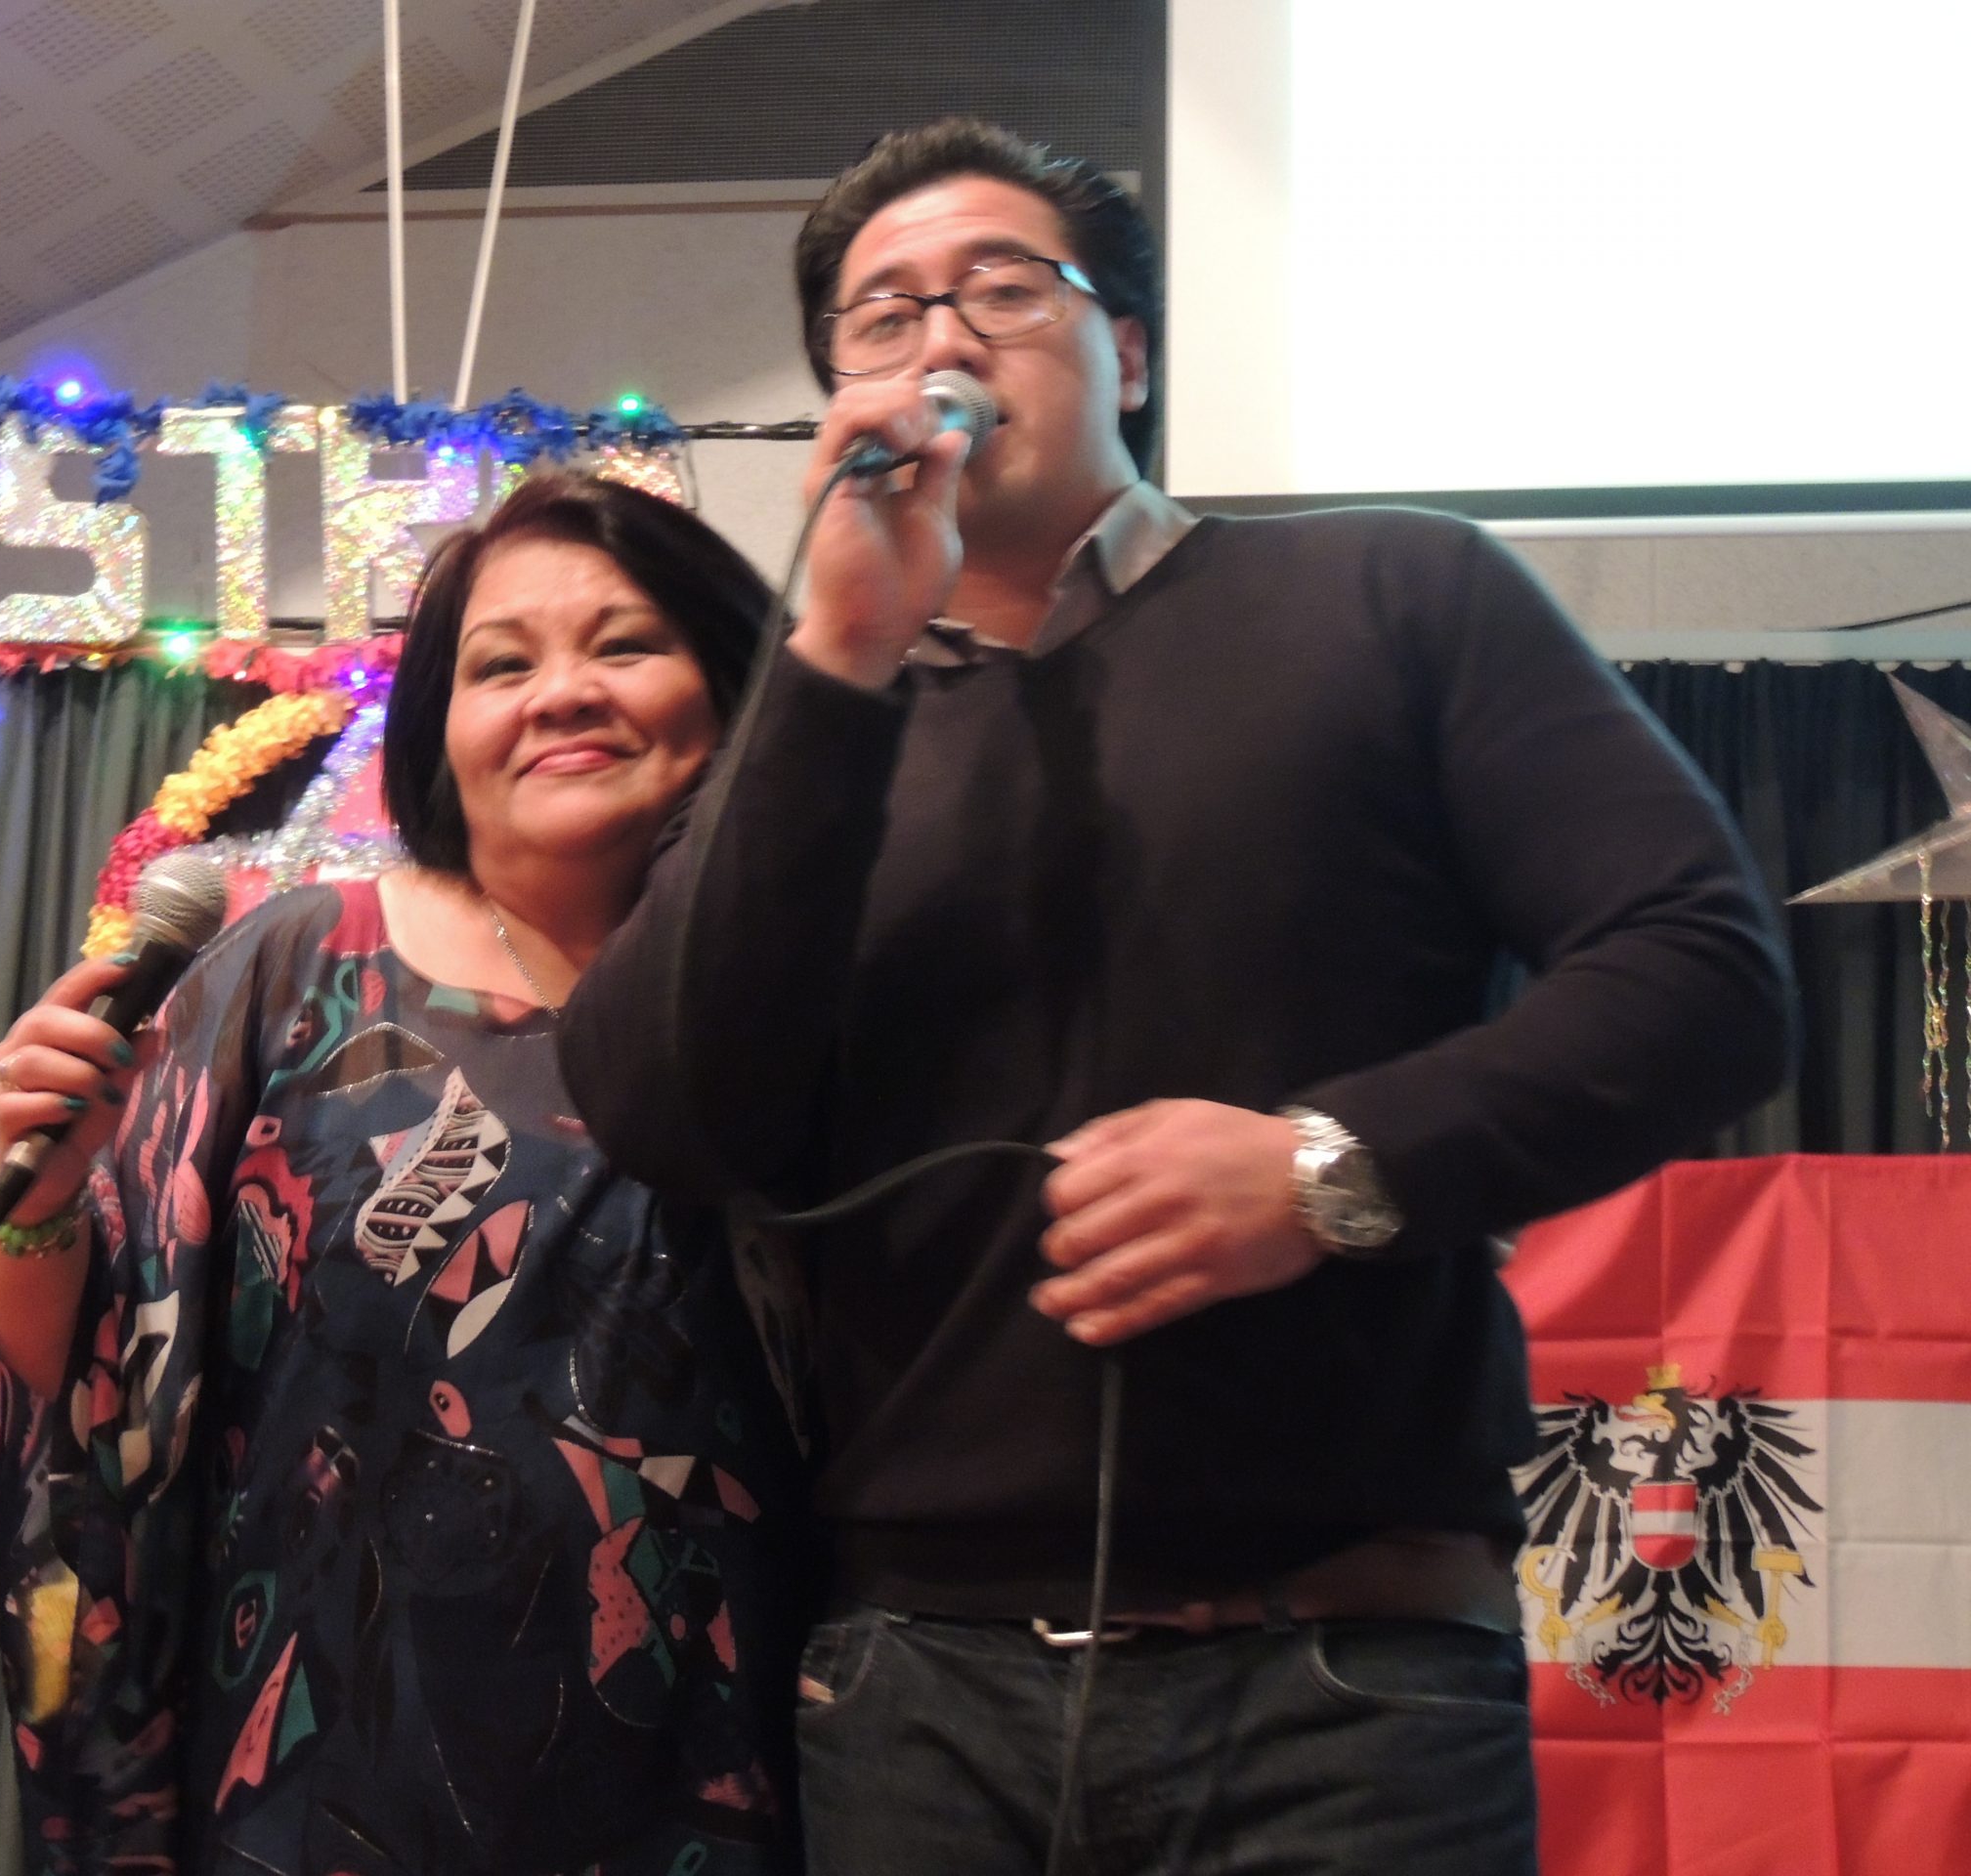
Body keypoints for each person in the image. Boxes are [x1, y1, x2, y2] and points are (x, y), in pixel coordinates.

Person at [558, 120, 1796, 1874]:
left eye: (1003, 288)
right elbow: (661, 1112)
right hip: (916, 1686)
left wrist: (1324, 1171)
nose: (941, 340)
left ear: (1127, 351)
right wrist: (835, 660)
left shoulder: (1394, 593)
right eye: (883, 317)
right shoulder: (811, 719)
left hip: (1346, 1684)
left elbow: (1703, 972)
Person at [0, 473, 813, 1875]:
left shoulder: (803, 1008)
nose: (564, 693)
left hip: (712, 1789)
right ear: (439, 726)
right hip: (324, 1780)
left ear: (732, 689)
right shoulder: (294, 972)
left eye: (625, 644)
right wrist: (41, 1205)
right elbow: (89, 1386)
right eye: (502, 665)